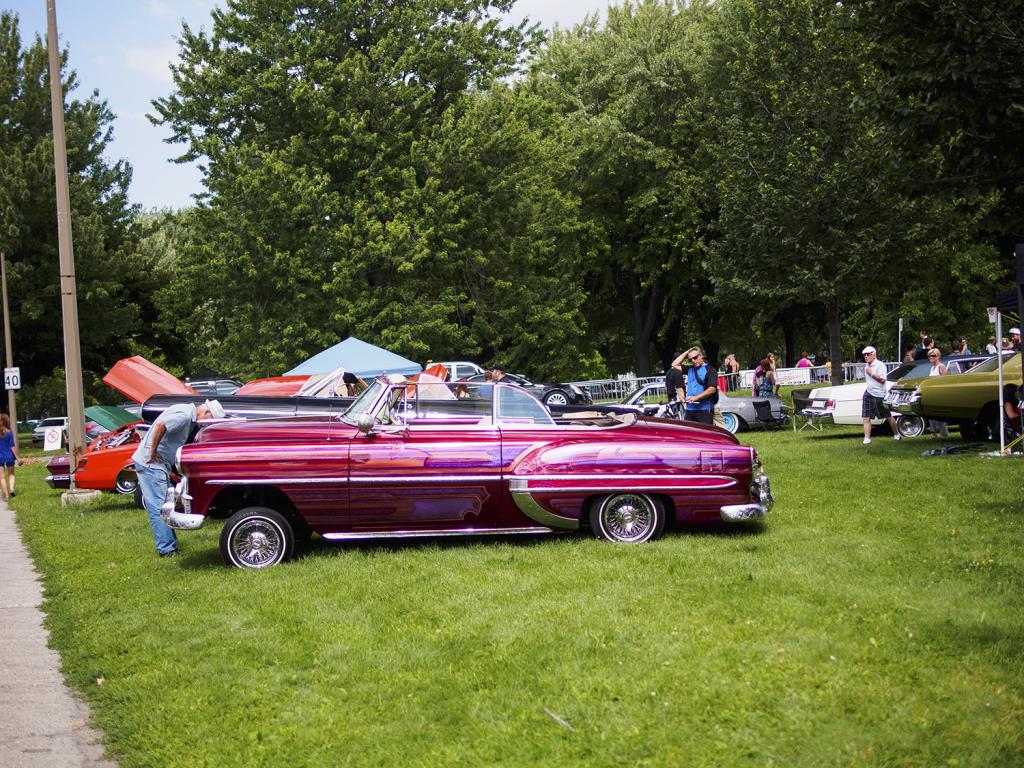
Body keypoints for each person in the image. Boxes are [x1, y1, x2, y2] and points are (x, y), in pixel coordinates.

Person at [133, 399, 225, 557]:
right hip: (152, 465)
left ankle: (169, 543)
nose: (206, 426)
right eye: (209, 421)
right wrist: (152, 451)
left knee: (167, 504)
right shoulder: (183, 415)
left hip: (159, 464)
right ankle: (167, 549)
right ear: (206, 413)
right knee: (160, 507)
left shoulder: (186, 413)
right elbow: (161, 425)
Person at [861, 346, 900, 445]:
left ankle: (896, 434)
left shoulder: (880, 365)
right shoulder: (866, 367)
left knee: (888, 416)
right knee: (866, 417)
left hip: (879, 395)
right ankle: (867, 439)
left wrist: (872, 374)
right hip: (868, 393)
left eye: (868, 354)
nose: (866, 356)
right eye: (865, 355)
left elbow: (883, 380)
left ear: (874, 355)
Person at [679, 347, 717, 425]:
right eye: (690, 359)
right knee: (689, 435)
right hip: (690, 409)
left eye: (695, 357)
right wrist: (687, 352)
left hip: (704, 409)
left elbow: (712, 389)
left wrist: (697, 397)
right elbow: (674, 364)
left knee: (705, 435)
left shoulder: (710, 370)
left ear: (701, 355)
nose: (693, 360)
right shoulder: (690, 369)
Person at [925, 349, 950, 438]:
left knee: (939, 416)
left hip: (939, 395)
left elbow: (945, 381)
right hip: (932, 394)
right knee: (931, 415)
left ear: (938, 356)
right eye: (929, 356)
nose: (931, 357)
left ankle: (944, 434)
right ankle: (933, 433)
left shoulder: (941, 366)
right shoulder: (932, 368)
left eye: (933, 356)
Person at [0, 414, 21, 501]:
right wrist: (17, 458)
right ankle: (11, 490)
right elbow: (12, 446)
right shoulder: (9, 432)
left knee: (1, 477)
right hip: (9, 456)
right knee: (11, 474)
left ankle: (6, 496)